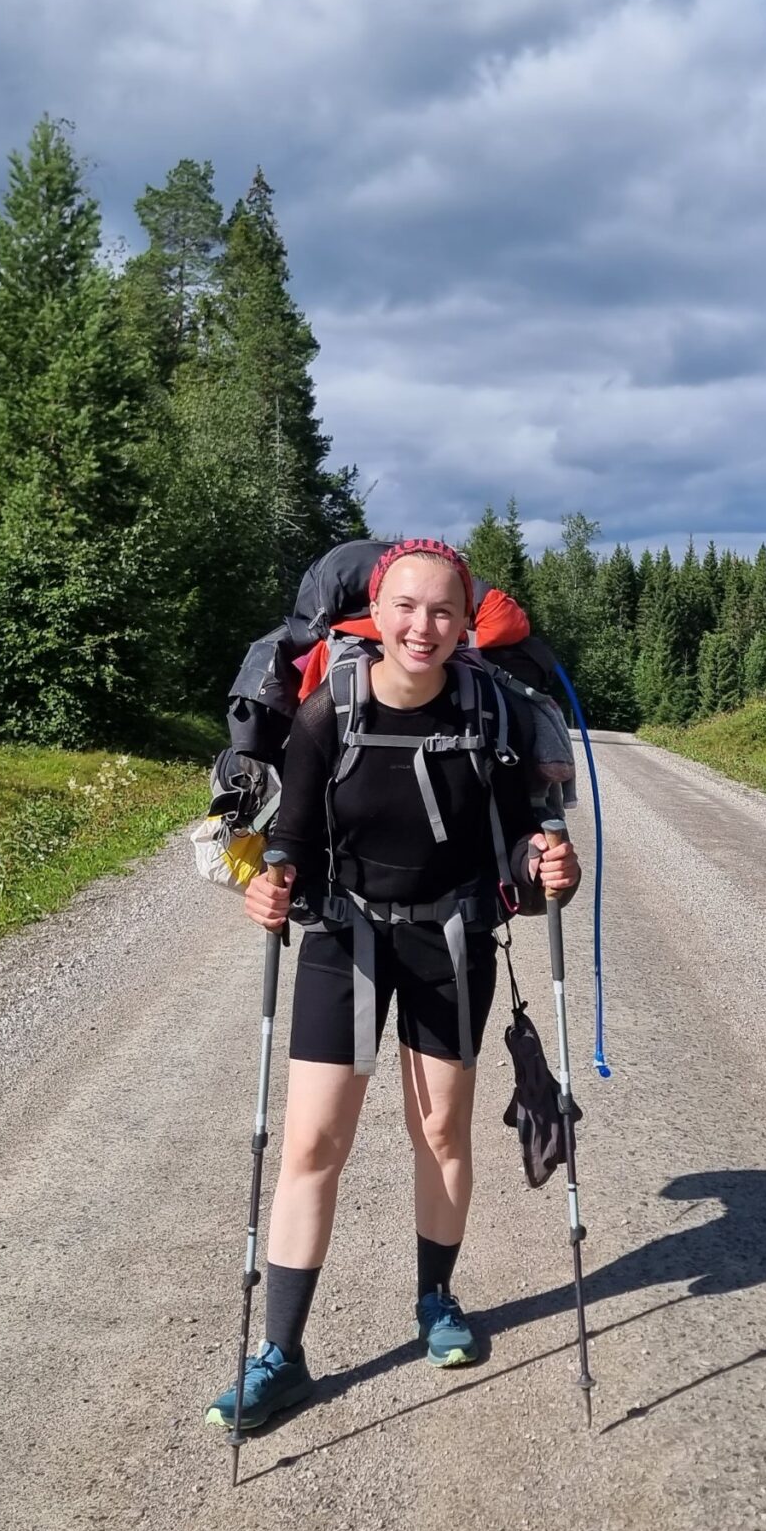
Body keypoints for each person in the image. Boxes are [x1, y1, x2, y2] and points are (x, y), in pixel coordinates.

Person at [206, 537, 580, 1431]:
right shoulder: (325, 712)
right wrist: (264, 880)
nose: (424, 625)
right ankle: (281, 1357)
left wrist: (548, 861)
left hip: (452, 943)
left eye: (443, 610)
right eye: (406, 607)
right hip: (346, 940)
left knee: (443, 1132)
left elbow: (531, 829)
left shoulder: (488, 712)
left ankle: (436, 1304)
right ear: (376, 614)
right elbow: (289, 837)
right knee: (310, 1147)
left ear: (462, 623)